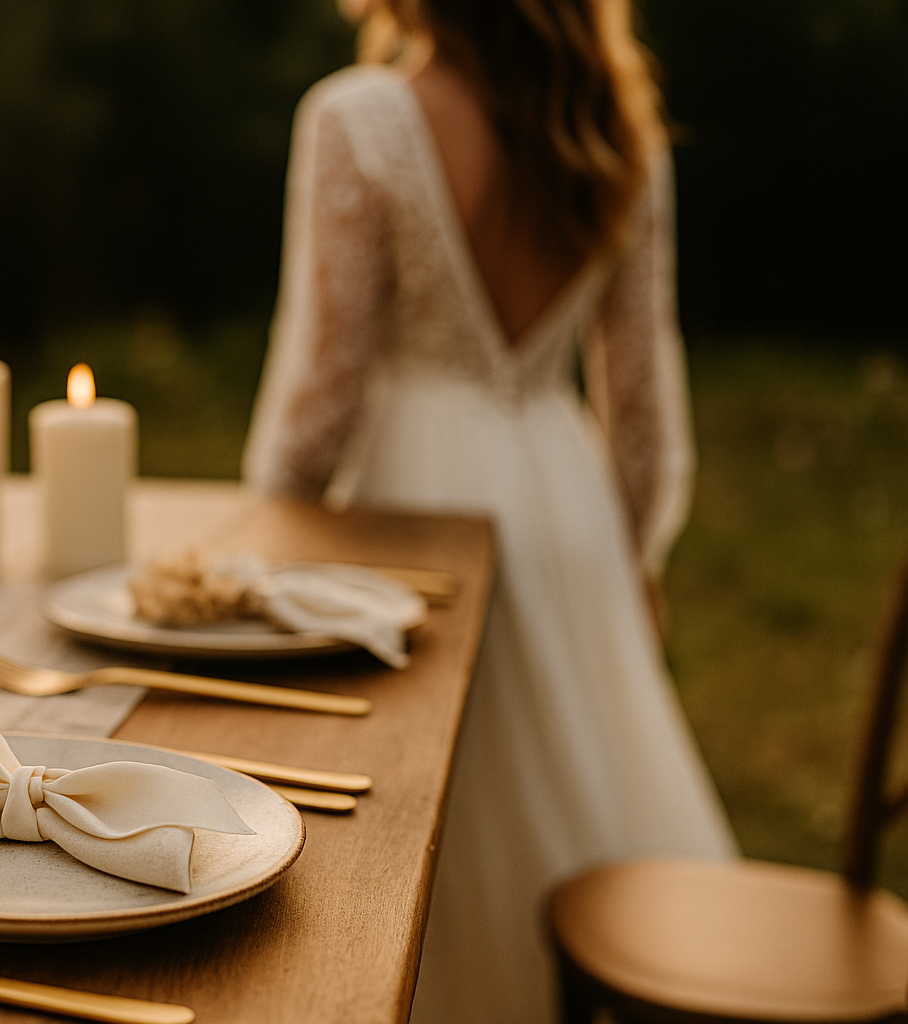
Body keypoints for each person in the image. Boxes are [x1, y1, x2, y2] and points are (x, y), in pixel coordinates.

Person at [241, 1, 737, 1020]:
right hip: (565, 507)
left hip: (407, 515)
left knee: (411, 818)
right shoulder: (618, 135)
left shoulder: (358, 117)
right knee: (579, 795)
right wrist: (631, 559)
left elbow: (323, 393)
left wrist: (259, 548)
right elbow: (640, 404)